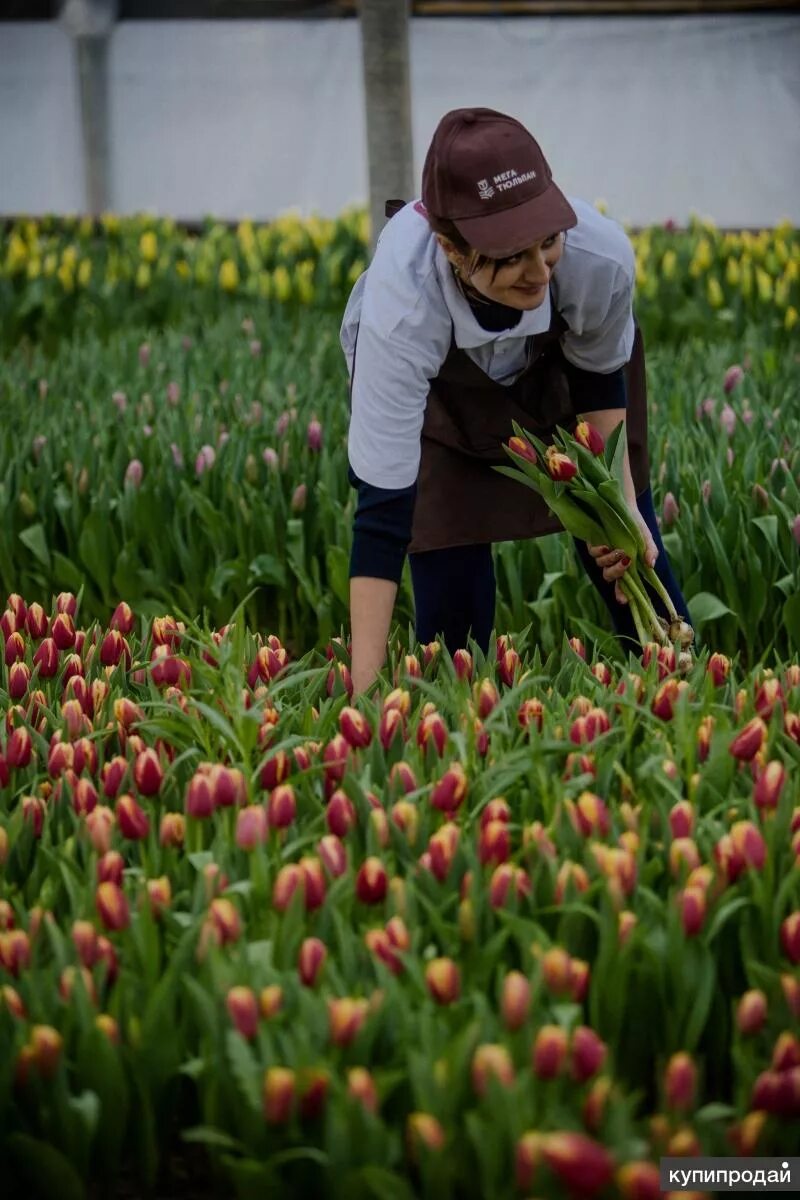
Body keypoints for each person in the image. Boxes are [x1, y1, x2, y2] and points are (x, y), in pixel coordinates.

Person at [340, 107, 690, 696]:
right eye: (511, 254)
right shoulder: (400, 310)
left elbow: (602, 388)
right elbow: (383, 515)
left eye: (547, 240)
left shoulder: (596, 258)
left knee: (623, 533)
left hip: (560, 374)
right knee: (447, 554)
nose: (539, 271)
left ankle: (679, 686)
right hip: (443, 402)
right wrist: (364, 692)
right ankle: (454, 720)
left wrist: (621, 505)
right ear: (452, 249)